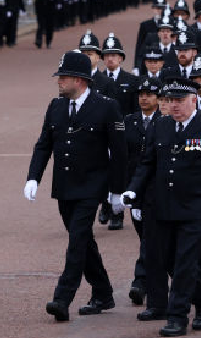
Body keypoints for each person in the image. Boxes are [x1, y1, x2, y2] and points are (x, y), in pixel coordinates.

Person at [123, 79, 201, 336]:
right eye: (170, 100)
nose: (174, 106)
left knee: (185, 261)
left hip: (196, 208)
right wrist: (134, 189)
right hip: (163, 206)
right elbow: (147, 163)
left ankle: (177, 316)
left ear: (194, 101)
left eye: (179, 101)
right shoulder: (160, 126)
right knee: (166, 260)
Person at [23, 51, 127, 323]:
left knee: (77, 240)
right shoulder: (56, 106)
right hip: (65, 187)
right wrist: (33, 177)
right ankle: (103, 292)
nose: (59, 81)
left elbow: (119, 152)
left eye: (64, 77)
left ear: (80, 80)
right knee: (83, 242)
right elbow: (44, 143)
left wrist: (116, 191)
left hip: (92, 186)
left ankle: (62, 297)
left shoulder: (106, 106)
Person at [124, 78, 161, 307]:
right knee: (146, 237)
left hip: (157, 190)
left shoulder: (165, 121)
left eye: (149, 94)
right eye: (141, 94)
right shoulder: (129, 121)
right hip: (134, 189)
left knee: (150, 238)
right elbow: (120, 157)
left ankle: (141, 281)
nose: (144, 97)